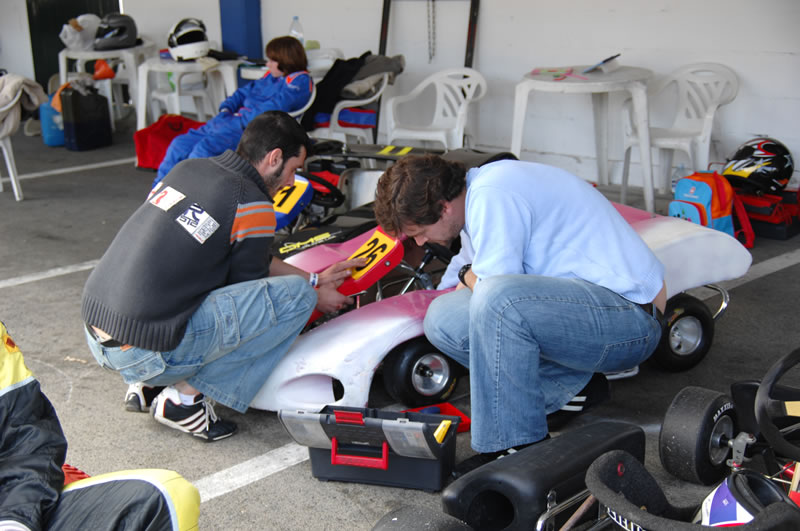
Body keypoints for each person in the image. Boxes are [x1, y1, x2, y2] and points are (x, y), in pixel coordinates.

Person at [373, 154, 666, 475]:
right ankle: (573, 389)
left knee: (497, 300)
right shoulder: (474, 198)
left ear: (443, 208)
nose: (419, 241)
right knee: (442, 319)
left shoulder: (493, 195)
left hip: (631, 317)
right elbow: (464, 272)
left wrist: (469, 276)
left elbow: (492, 290)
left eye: (418, 231)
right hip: (590, 309)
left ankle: (513, 446)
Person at [82, 111, 363, 441]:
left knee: (192, 276)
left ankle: (148, 385)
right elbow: (251, 295)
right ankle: (184, 400)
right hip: (143, 352)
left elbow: (249, 259)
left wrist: (313, 278)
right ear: (274, 158)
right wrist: (314, 295)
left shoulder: (190, 168)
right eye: (293, 170)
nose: (291, 181)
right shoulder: (252, 202)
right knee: (294, 301)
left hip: (99, 332)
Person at [0, 321, 201, 530]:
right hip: (134, 346)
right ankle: (183, 396)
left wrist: (15, 519)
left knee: (166, 495)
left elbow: (25, 440)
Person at [155, 36, 313, 186]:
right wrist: (226, 107)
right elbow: (242, 93)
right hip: (227, 119)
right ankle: (157, 193)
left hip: (250, 128)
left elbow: (276, 107)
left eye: (272, 60)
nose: (268, 64)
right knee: (179, 144)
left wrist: (242, 120)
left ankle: (188, 197)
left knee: (202, 151)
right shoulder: (270, 77)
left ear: (286, 61)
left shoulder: (300, 81)